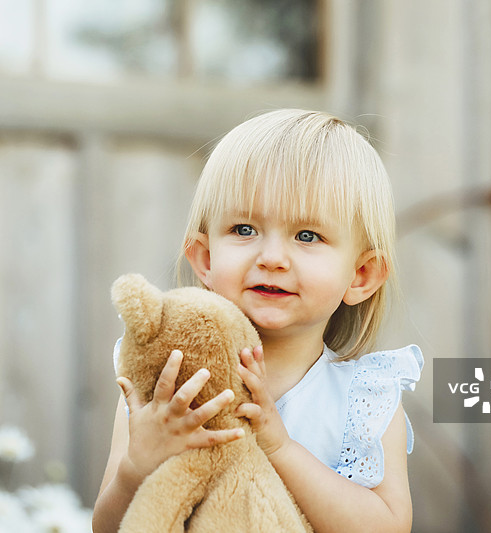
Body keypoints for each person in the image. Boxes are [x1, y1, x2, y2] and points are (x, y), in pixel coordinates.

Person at [92, 109, 423, 533]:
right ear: (206, 259)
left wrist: (280, 447)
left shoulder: (363, 399)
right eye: (244, 229)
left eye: (307, 236)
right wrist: (137, 468)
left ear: (361, 275)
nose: (271, 258)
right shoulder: (167, 383)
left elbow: (387, 527)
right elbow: (105, 528)